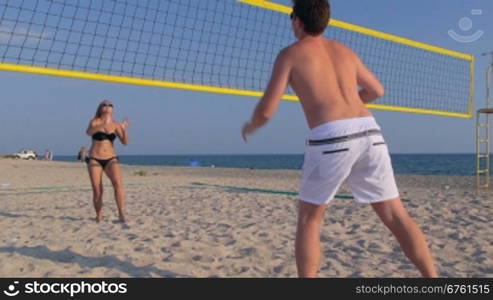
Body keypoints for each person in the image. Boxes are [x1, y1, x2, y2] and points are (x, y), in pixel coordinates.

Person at [241, 0, 437, 278]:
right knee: (396, 215)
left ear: (297, 21)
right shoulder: (345, 51)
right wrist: (346, 105)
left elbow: (267, 110)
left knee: (310, 220)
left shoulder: (290, 54)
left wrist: (250, 126)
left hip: (332, 140)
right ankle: (434, 281)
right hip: (370, 132)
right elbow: (377, 90)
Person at [86, 99, 129, 223]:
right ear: (100, 108)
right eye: (104, 105)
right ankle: (99, 215)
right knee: (97, 188)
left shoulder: (116, 125)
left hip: (110, 157)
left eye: (110, 105)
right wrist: (102, 124)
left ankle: (121, 214)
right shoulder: (95, 121)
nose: (107, 106)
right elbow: (88, 132)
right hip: (95, 157)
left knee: (118, 184)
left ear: (112, 109)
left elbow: (125, 142)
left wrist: (124, 130)